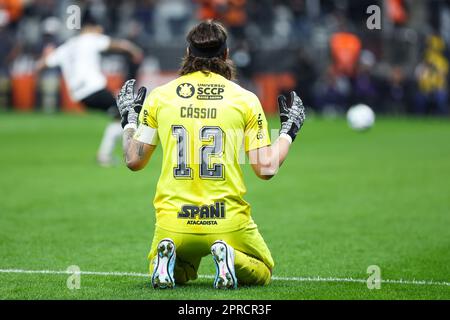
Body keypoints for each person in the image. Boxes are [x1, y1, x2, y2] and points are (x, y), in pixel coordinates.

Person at [116, 21, 306, 289]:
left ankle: (168, 255)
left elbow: (134, 161)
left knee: (177, 272)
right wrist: (289, 131)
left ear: (187, 52)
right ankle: (230, 256)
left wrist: (129, 122)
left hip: (174, 219)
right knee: (262, 270)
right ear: (226, 55)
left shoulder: (161, 96)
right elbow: (266, 168)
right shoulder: (245, 99)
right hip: (226, 218)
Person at [36, 14, 144, 166]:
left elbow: (41, 65)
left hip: (79, 95)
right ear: (91, 28)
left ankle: (106, 154)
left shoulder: (67, 45)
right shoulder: (90, 39)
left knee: (120, 114)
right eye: (98, 29)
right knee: (127, 113)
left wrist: (44, 57)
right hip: (94, 88)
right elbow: (117, 44)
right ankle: (113, 154)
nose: (100, 32)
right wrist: (133, 50)